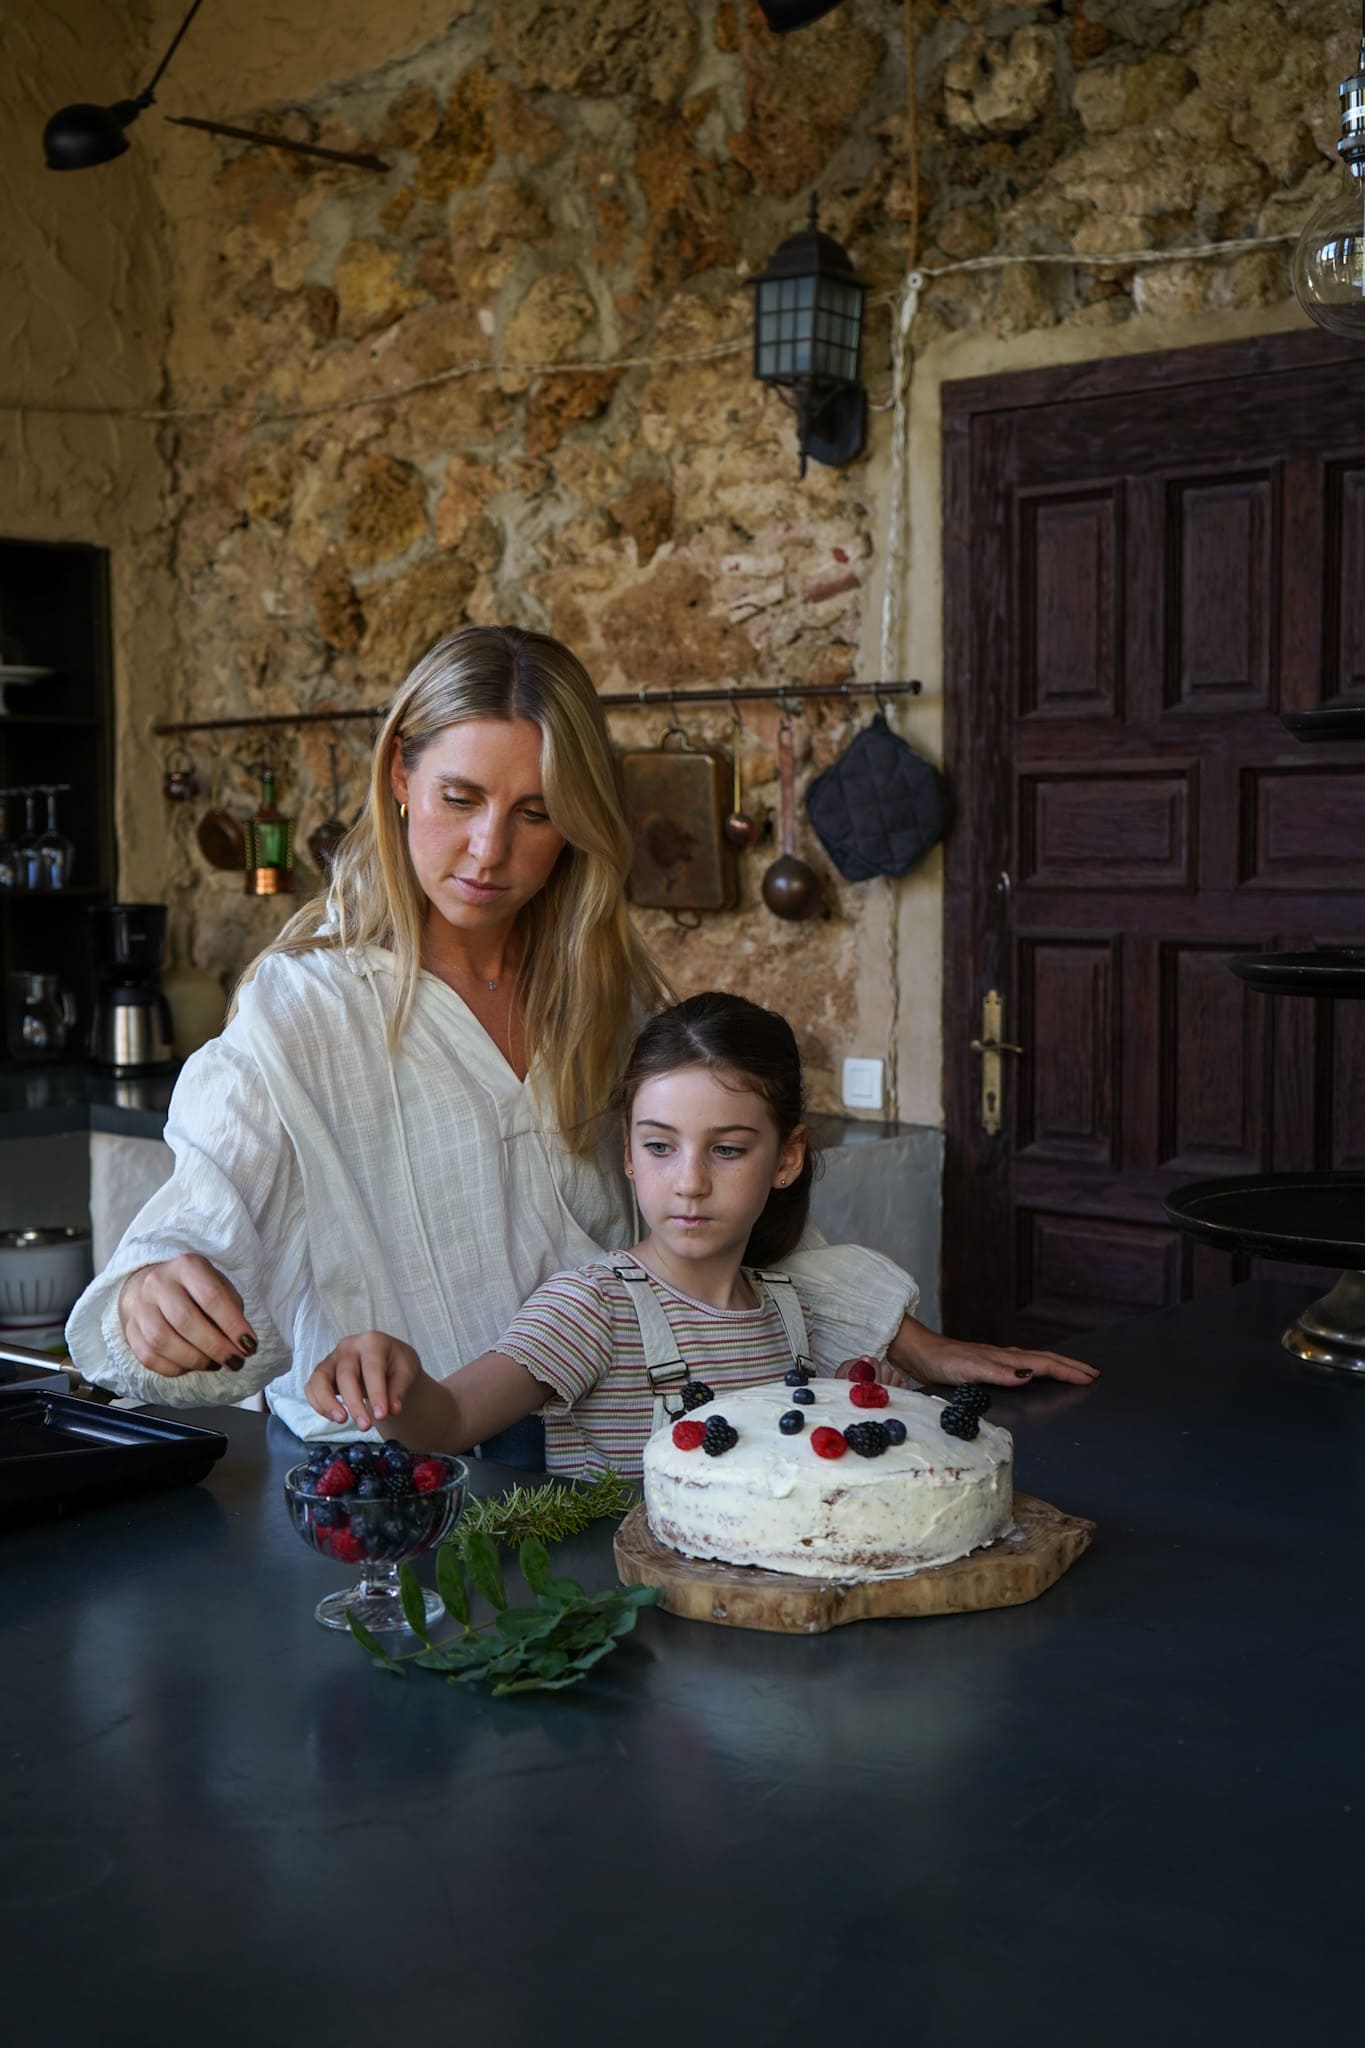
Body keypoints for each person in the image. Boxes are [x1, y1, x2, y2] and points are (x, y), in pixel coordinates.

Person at [66, 625, 1096, 1442]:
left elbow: (719, 1221)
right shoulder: (303, 1014)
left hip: (623, 1455)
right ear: (398, 777)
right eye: (459, 797)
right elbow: (192, 1227)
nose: (487, 850)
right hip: (400, 1481)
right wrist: (154, 1295)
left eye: (536, 811)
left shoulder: (609, 995)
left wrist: (905, 1338)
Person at [305, 991, 913, 1476]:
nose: (689, 1182)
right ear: (627, 1152)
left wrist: (857, 1400)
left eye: (726, 1149)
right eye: (659, 1147)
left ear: (787, 1158)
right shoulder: (593, 1307)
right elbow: (452, 1420)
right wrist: (395, 1382)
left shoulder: (792, 1315)